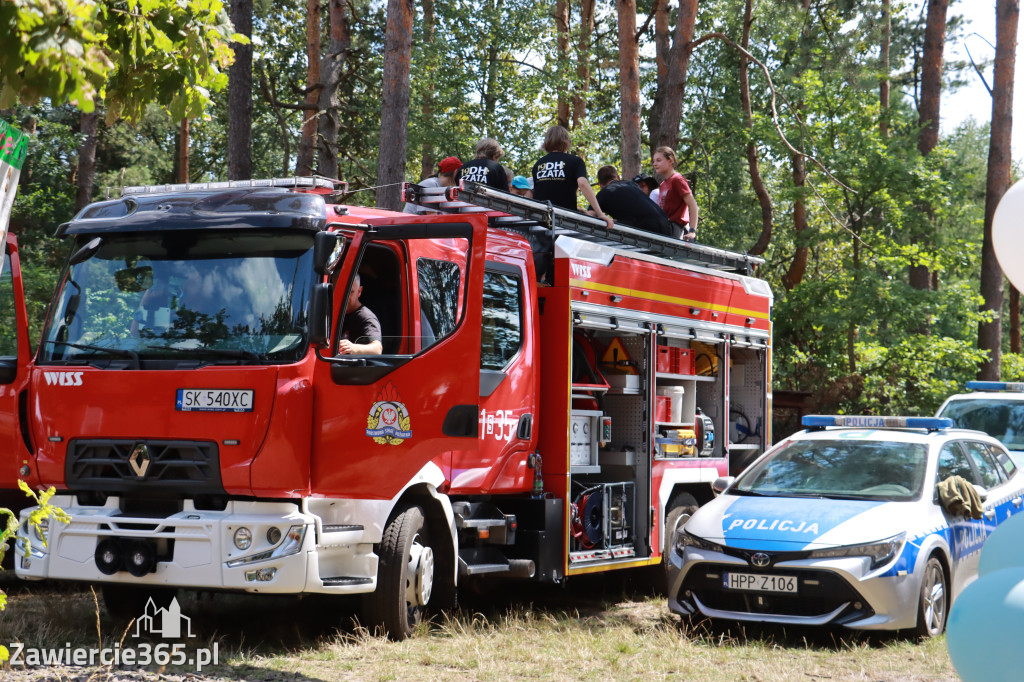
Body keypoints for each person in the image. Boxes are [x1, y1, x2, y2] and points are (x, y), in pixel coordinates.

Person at [531, 125, 613, 230]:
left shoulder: (538, 164)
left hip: (540, 221)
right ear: (567, 141)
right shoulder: (575, 161)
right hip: (565, 222)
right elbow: (583, 184)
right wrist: (600, 214)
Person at [593, 166, 677, 238]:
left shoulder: (603, 194)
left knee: (609, 224)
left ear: (600, 185)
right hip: (666, 226)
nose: (644, 189)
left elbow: (591, 214)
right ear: (618, 177)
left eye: (645, 186)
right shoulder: (631, 184)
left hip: (649, 227)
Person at [652, 146, 699, 242]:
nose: (655, 164)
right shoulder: (663, 184)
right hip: (664, 228)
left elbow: (693, 205)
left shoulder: (677, 180)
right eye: (654, 161)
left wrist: (692, 231)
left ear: (670, 161)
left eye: (659, 160)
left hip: (675, 229)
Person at [340, 273, 382, 355]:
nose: (345, 297)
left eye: (350, 292)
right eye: (340, 292)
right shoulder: (328, 313)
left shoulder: (366, 317)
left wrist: (352, 348)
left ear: (359, 291)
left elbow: (377, 349)